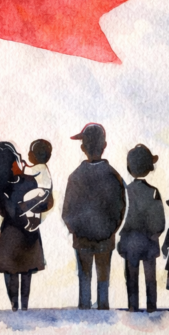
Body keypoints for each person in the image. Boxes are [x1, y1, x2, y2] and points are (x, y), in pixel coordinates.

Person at [61, 123, 126, 310]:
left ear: (83, 148)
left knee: (84, 275)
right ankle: (103, 307)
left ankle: (84, 309)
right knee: (103, 274)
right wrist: (110, 229)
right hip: (106, 236)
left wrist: (76, 230)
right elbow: (120, 208)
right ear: (104, 145)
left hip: (81, 238)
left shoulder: (75, 176)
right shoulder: (114, 176)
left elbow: (67, 211)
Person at [0, 141, 47, 311]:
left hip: (10, 233)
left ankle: (15, 306)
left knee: (11, 272)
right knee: (26, 272)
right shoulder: (29, 181)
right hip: (28, 231)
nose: (21, 159)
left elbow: (8, 211)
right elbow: (39, 204)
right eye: (17, 158)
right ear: (12, 162)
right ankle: (23, 306)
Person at [118, 144, 165, 312]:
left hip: (130, 241)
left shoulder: (125, 191)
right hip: (149, 241)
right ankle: (152, 306)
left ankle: (132, 306)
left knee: (131, 276)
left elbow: (121, 217)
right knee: (150, 277)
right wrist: (155, 234)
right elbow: (160, 220)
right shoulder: (153, 192)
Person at [20, 139, 53, 232]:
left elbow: (29, 171)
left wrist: (23, 166)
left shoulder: (40, 166)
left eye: (30, 152)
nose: (28, 154)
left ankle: (32, 220)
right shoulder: (42, 166)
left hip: (43, 191)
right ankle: (34, 220)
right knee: (33, 202)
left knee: (27, 198)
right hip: (44, 192)